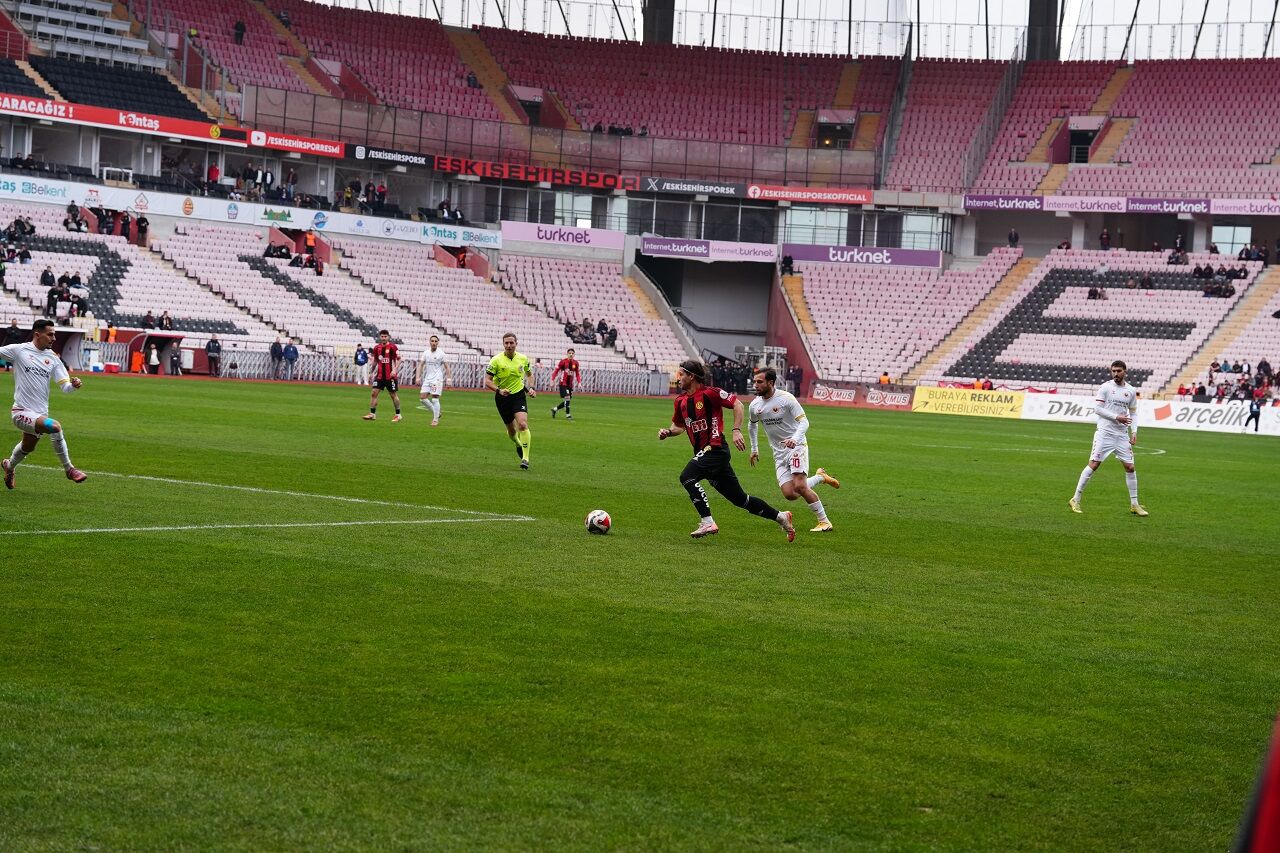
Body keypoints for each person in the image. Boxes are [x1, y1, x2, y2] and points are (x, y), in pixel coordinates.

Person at [658, 359, 795, 540]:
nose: (678, 378)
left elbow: (737, 404)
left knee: (687, 477)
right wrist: (668, 432)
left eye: (681, 374)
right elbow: (679, 427)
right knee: (740, 499)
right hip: (704, 454)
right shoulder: (680, 401)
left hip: (715, 450)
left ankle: (708, 522)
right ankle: (781, 517)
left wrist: (736, 430)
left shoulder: (710, 393)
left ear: (692, 376)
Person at [747, 368, 839, 533]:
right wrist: (754, 449)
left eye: (759, 382)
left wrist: (794, 439)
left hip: (796, 447)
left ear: (771, 382)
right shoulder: (755, 405)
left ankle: (824, 522)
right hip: (779, 453)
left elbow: (804, 422)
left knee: (800, 487)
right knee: (790, 494)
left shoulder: (786, 399)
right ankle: (820, 477)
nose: (756, 385)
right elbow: (752, 425)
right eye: (755, 381)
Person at [0, 319, 86, 488]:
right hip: (20, 411)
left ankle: (8, 466)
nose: (54, 338)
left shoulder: (53, 358)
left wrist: (73, 385)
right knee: (55, 427)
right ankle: (69, 469)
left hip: (39, 414)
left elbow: (65, 387)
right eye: (50, 334)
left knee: (27, 447)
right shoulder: (19, 350)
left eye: (54, 334)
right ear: (38, 335)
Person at [1069, 360, 1147, 517]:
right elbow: (1097, 409)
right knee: (1094, 464)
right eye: (1113, 371)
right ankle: (1075, 498)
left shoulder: (1131, 391)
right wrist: (1117, 417)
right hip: (1105, 433)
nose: (1116, 374)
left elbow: (1133, 412)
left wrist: (1134, 431)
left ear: (1125, 371)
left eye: (1118, 371)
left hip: (1121, 434)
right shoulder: (1105, 387)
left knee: (1130, 467)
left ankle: (1134, 504)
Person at [485, 332, 536, 468]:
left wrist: (531, 388)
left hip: (518, 396)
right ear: (503, 344)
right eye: (506, 343)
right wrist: (499, 390)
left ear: (516, 343)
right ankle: (518, 444)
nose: (509, 345)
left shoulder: (523, 359)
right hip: (502, 398)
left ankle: (525, 458)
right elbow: (487, 381)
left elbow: (530, 375)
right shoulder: (496, 360)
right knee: (512, 431)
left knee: (523, 424)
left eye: (511, 343)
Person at [363, 330, 402, 422]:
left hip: (390, 376)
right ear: (380, 337)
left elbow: (399, 359)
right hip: (380, 376)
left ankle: (398, 414)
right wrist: (371, 373)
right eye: (382, 336)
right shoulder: (377, 348)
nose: (384, 338)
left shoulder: (393, 347)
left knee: (393, 395)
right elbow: (375, 361)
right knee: (373, 393)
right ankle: (372, 414)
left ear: (388, 337)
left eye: (385, 336)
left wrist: (394, 370)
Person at [417, 335, 450, 426]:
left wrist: (449, 378)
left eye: (436, 341)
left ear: (438, 342)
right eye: (432, 341)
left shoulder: (441, 353)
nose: (434, 343)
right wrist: (417, 377)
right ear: (429, 342)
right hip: (428, 378)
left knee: (435, 399)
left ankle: (435, 420)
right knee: (422, 398)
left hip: (437, 379)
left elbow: (447, 366)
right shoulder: (426, 353)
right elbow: (421, 365)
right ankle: (437, 413)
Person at [550, 347, 580, 420]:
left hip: (570, 385)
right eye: (569, 353)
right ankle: (568, 415)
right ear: (567, 354)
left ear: (574, 355)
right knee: (567, 398)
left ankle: (555, 409)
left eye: (572, 353)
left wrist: (579, 382)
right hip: (563, 384)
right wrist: (552, 379)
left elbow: (577, 374)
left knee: (567, 400)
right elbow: (556, 371)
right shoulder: (563, 362)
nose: (571, 355)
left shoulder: (576, 363)